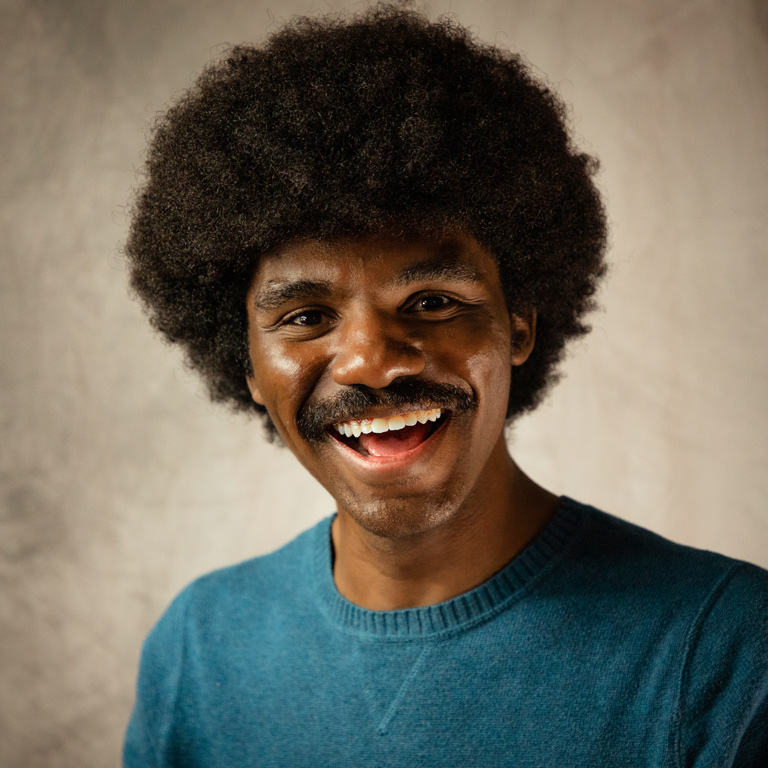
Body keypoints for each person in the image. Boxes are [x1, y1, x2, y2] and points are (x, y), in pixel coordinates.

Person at [122, 4, 768, 766]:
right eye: (306, 317)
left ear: (518, 326)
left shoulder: (725, 652)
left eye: (431, 302)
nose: (372, 363)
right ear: (247, 368)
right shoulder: (198, 650)